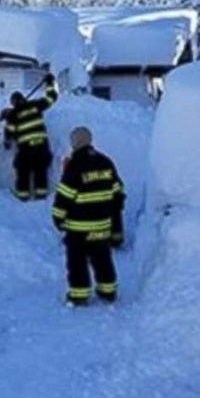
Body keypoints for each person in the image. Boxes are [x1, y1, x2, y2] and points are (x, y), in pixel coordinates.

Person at [51, 127, 126, 306]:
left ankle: (79, 295)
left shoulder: (74, 166)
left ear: (74, 143)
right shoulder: (106, 162)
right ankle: (108, 291)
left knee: (77, 262)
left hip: (79, 227)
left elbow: (64, 197)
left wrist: (58, 219)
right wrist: (112, 214)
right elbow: (118, 191)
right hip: (102, 225)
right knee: (102, 258)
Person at [3, 73, 58, 201]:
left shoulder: (13, 114)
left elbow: (9, 133)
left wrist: (7, 143)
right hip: (41, 147)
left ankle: (23, 197)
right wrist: (50, 83)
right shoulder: (35, 105)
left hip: (25, 149)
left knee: (23, 172)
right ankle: (41, 196)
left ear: (13, 103)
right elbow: (51, 98)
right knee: (40, 171)